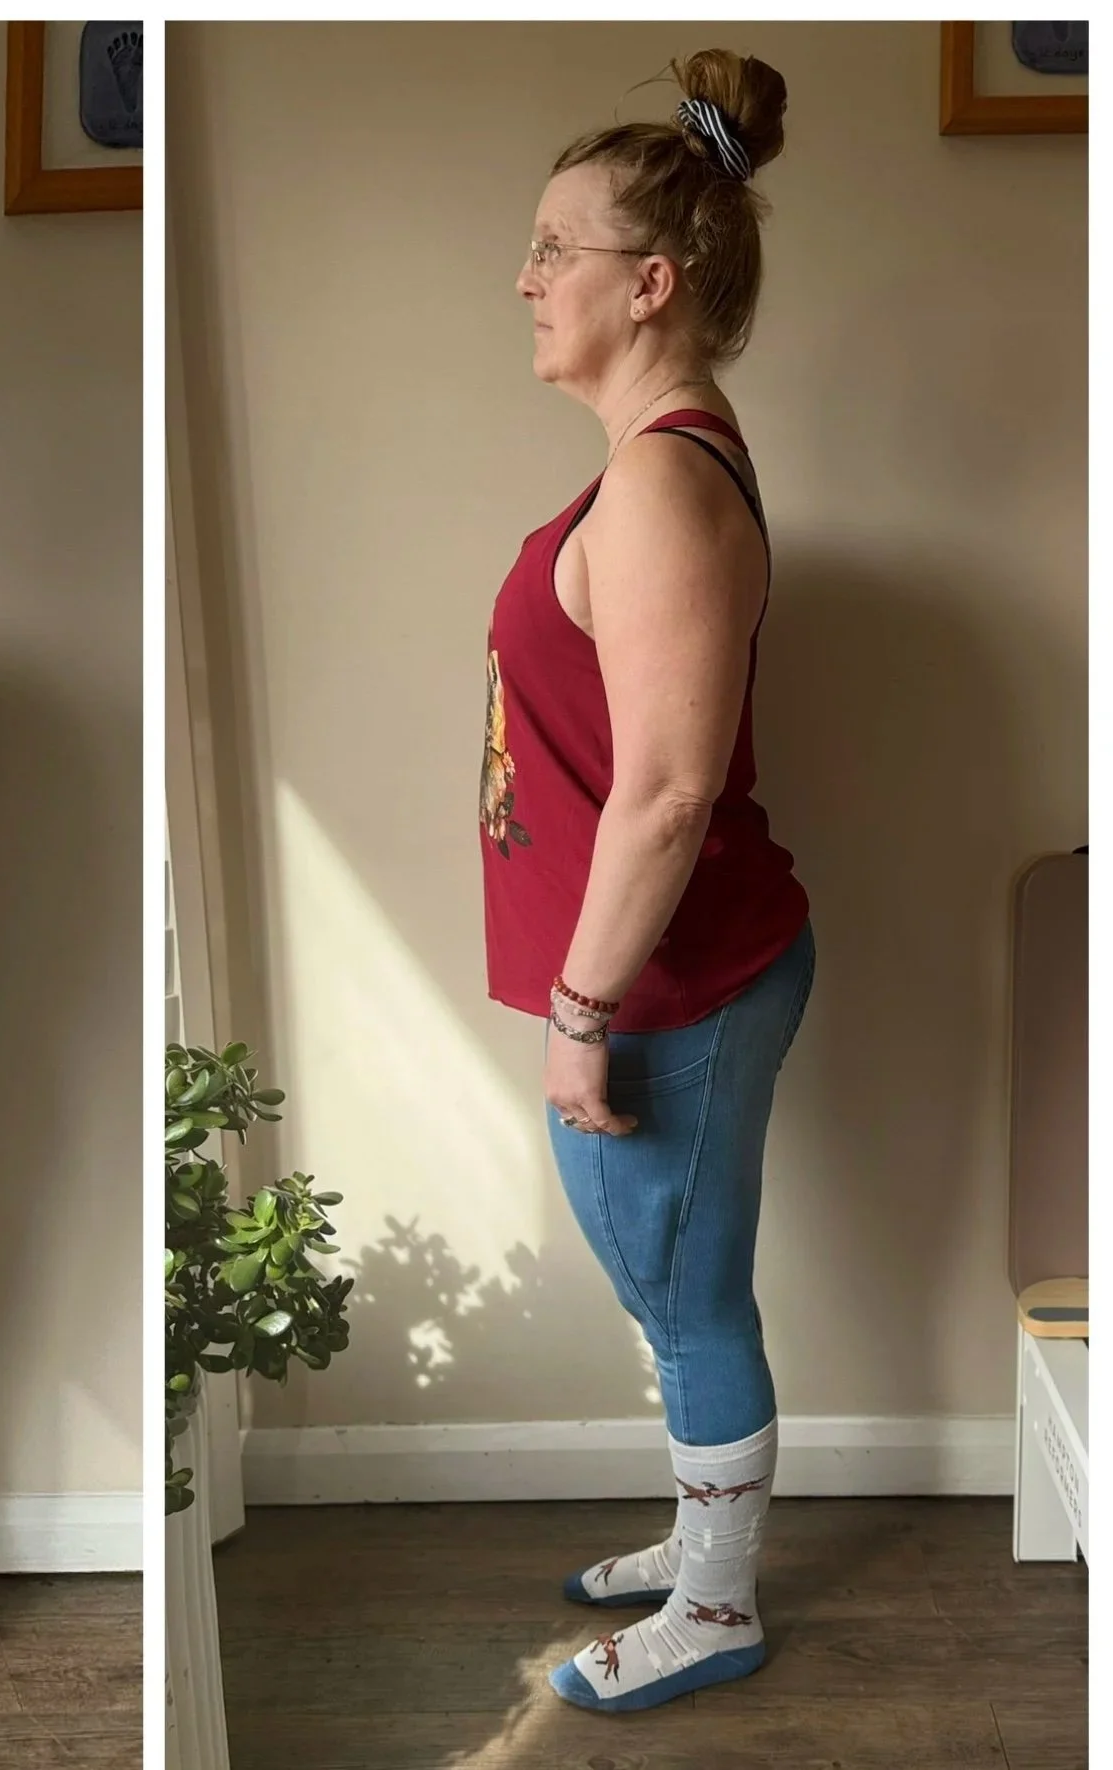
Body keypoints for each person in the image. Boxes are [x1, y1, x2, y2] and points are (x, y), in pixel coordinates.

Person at [483, 49, 813, 1713]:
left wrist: (582, 1011)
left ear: (651, 280)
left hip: (666, 982)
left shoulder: (669, 476)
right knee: (667, 1292)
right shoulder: (650, 461)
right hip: (638, 975)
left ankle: (718, 1604)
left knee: (688, 1299)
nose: (526, 278)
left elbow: (669, 789)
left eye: (557, 247)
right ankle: (698, 1545)